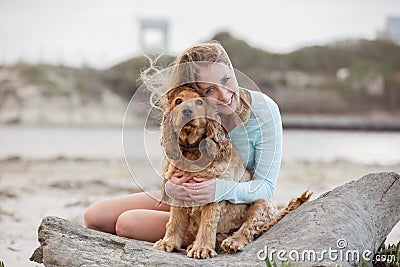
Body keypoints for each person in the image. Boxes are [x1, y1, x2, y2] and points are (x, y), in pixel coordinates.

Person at [84, 40, 282, 245]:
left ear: (233, 70)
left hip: (230, 209)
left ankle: (214, 236)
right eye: (209, 91)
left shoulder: (265, 111)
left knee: (127, 224)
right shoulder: (193, 112)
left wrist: (219, 190)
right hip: (186, 198)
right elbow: (175, 168)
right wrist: (170, 188)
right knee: (95, 216)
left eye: (226, 79)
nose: (224, 95)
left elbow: (265, 187)